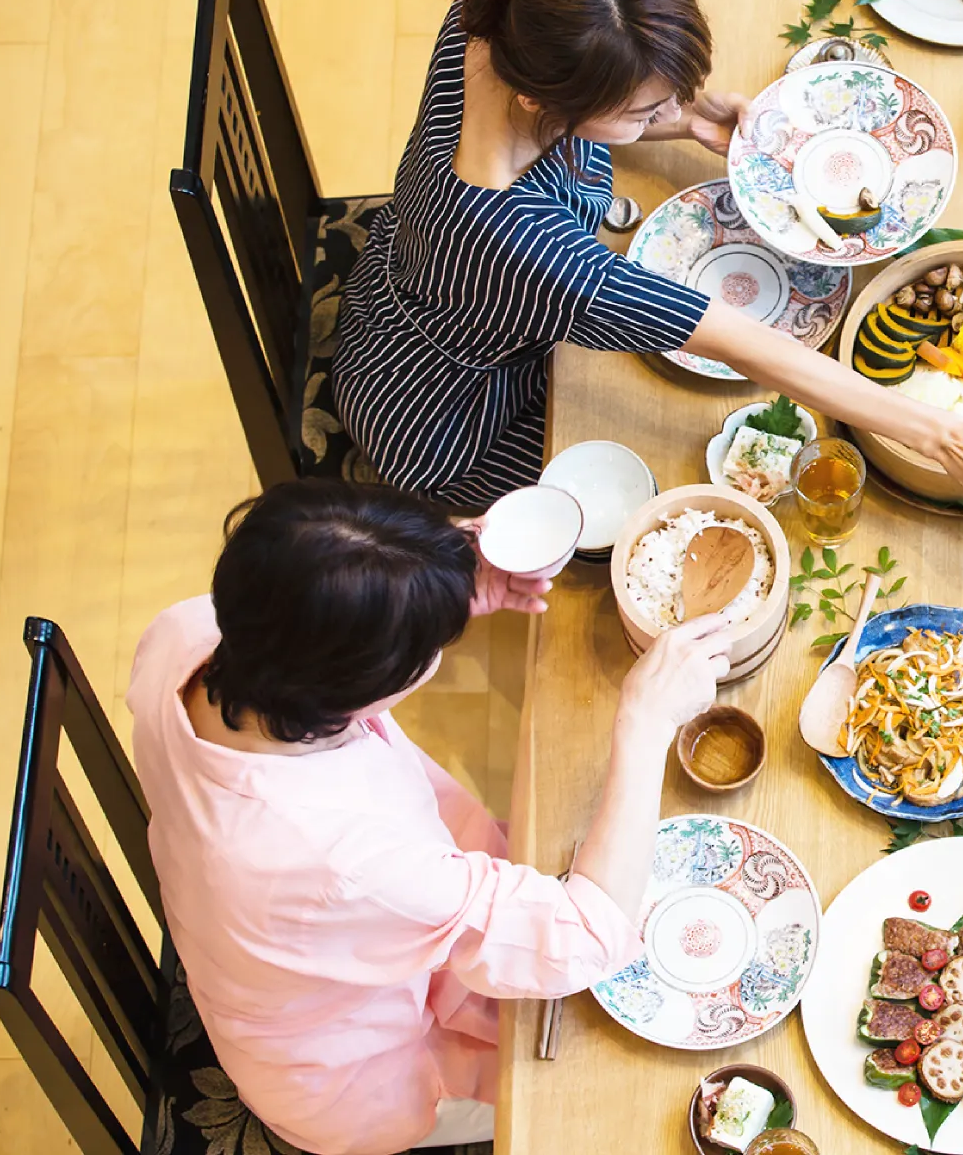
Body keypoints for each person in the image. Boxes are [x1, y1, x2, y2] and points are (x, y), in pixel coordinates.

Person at [331, 0, 963, 510]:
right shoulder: (512, 241)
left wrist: (686, 116)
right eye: (645, 110)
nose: (670, 111)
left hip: (408, 275)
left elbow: (600, 90)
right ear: (546, 102)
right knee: (660, 484)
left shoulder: (499, 14)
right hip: (446, 414)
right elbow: (739, 341)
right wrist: (941, 434)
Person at [127, 479, 741, 1154]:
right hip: (354, 1076)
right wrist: (645, 722)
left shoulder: (193, 631)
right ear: (365, 685)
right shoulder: (341, 857)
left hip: (273, 952)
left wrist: (422, 583)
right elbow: (583, 938)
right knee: (631, 1086)